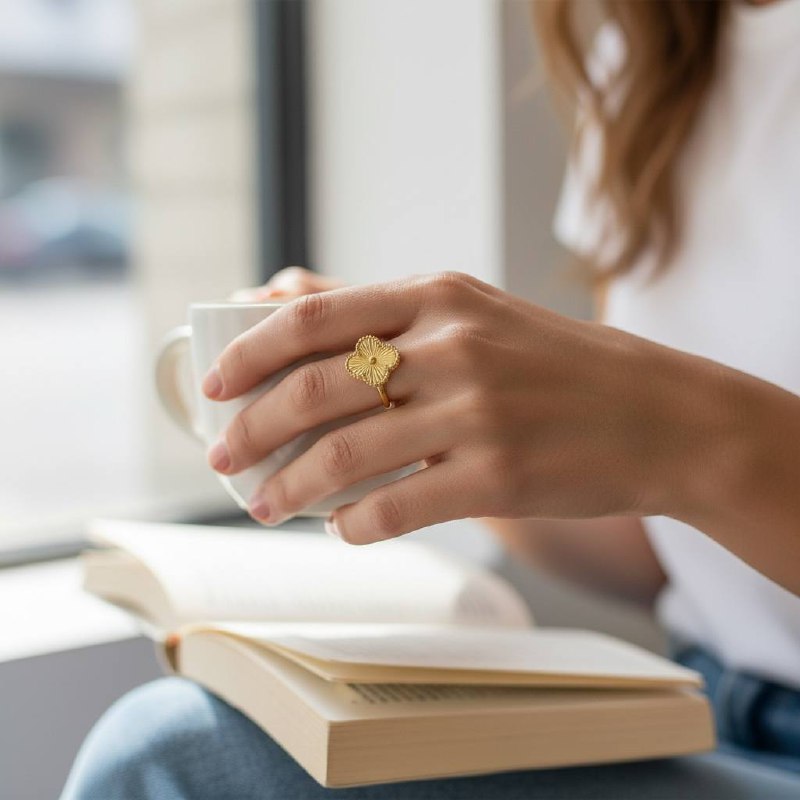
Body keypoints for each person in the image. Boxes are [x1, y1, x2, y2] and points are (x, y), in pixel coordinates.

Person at [61, 0, 800, 797]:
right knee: (172, 751)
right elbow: (661, 552)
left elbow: (685, 456)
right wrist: (424, 415)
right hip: (703, 715)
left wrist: (687, 434)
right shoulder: (659, 56)